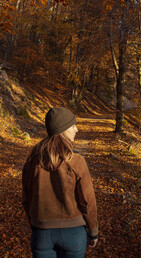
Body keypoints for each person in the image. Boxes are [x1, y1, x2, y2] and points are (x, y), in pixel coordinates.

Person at [22, 107, 98, 258]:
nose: (76, 130)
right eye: (73, 126)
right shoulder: (76, 160)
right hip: (73, 232)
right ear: (62, 130)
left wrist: (35, 223)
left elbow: (26, 198)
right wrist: (93, 230)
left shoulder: (32, 160)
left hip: (41, 233)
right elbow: (87, 200)